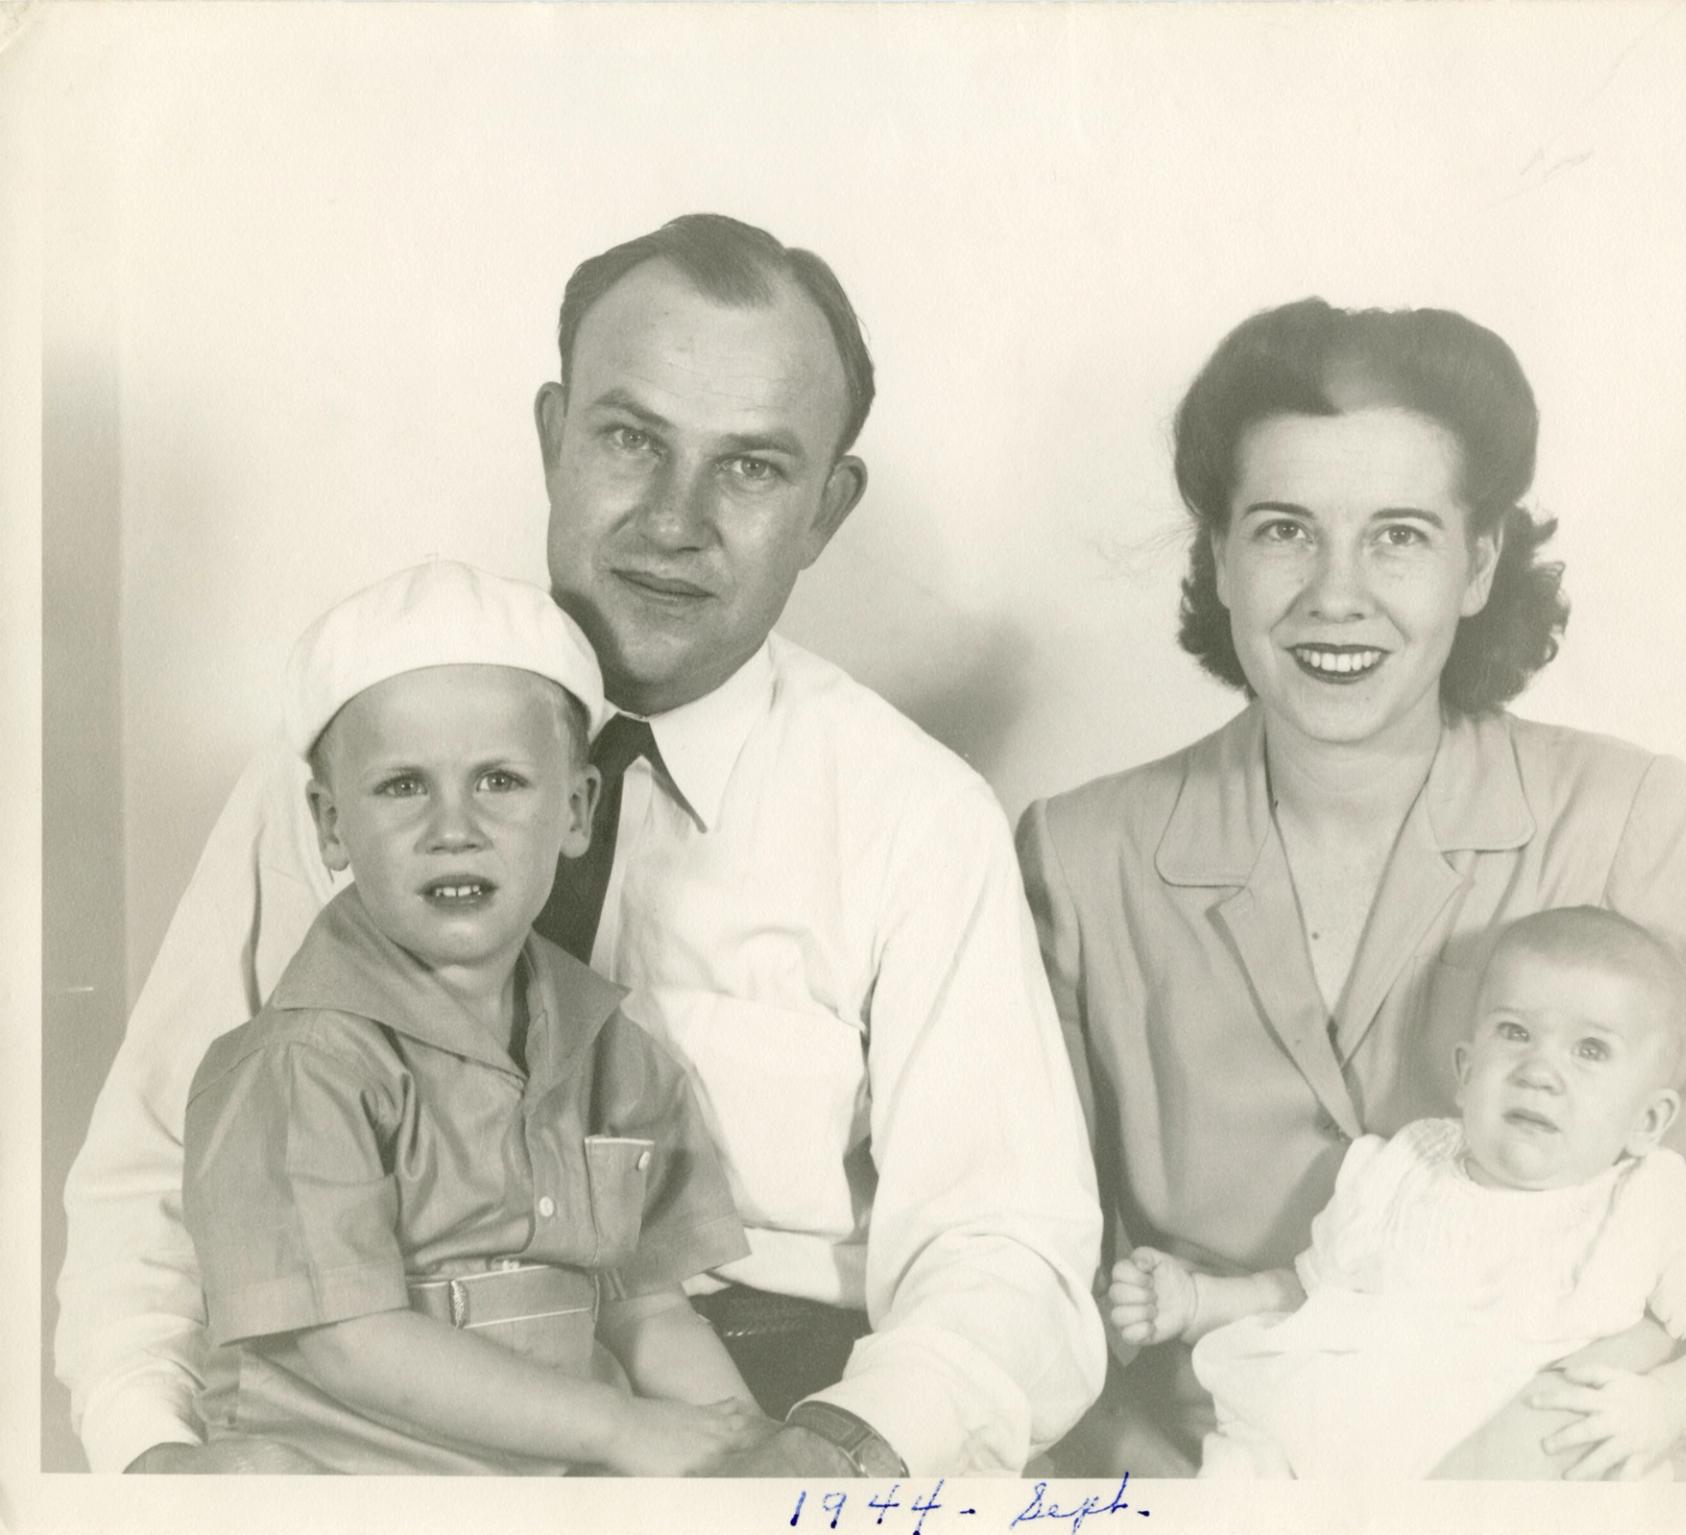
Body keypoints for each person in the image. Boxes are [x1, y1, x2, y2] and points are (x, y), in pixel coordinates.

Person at [57, 214, 1104, 1478]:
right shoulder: (341, 760)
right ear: (555, 434)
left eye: (752, 467)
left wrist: (824, 1457)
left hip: (755, 1399)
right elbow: (153, 1176)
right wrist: (149, 1451)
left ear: (826, 510)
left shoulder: (914, 816)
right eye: (631, 438)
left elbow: (1007, 1251)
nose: (675, 520)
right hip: (357, 1418)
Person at [1015, 297, 1686, 1478]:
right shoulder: (1081, 856)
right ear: (1219, 557)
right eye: (1284, 529)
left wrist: (1484, 1473)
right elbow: (1033, 1271)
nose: (1336, 594)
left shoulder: (1627, 814)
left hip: (1571, 1465)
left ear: (1478, 564)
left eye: (1398, 535)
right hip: (1218, 1468)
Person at [183, 560, 767, 1474]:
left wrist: (751, 1447)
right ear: (331, 825)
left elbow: (646, 1306)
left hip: (548, 1480)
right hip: (349, 1484)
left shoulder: (612, 1052)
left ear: (575, 810)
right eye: (402, 786)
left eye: (499, 780)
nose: (452, 827)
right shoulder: (301, 1063)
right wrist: (620, 1430)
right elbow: (352, 1341)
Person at [1108, 907, 1686, 1480]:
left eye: (1590, 1050)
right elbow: (1311, 1296)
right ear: (1464, 1074)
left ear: (1648, 1120)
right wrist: (1199, 1301)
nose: (1539, 1071)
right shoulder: (1402, 1170)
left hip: (1511, 1480)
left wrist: (1667, 1406)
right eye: (1515, 1033)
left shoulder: (1649, 1206)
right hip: (1317, 1461)